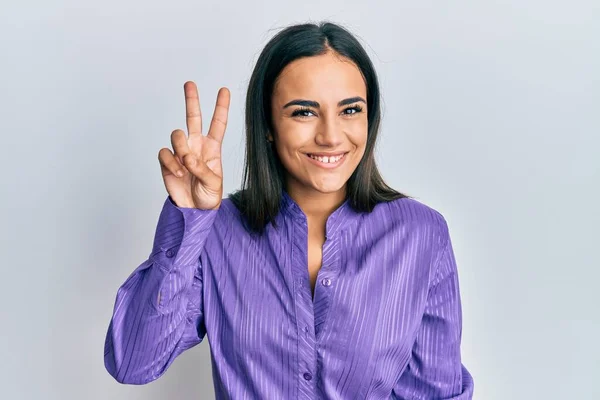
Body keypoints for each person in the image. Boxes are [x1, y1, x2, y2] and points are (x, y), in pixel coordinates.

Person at [103, 21, 474, 399]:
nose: (330, 136)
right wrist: (190, 220)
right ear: (268, 125)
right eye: (303, 113)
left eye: (350, 110)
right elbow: (134, 361)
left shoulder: (421, 235)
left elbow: (434, 392)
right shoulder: (219, 232)